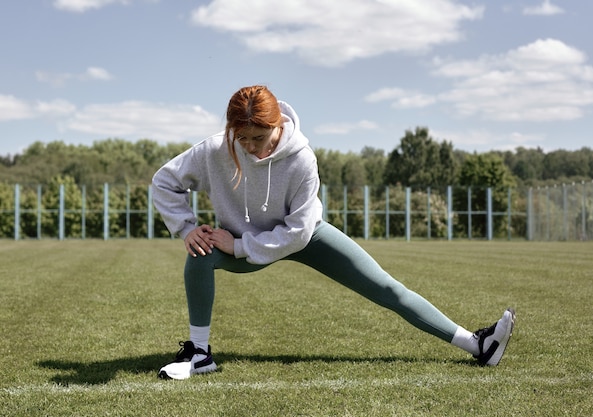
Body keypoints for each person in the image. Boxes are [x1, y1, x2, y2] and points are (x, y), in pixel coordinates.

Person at [152, 85, 516, 380]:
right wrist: (186, 228)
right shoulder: (216, 149)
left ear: (276, 125)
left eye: (258, 137)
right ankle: (200, 354)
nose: (249, 147)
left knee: (386, 287)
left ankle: (478, 346)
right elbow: (164, 182)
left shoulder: (301, 159)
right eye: (242, 137)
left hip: (303, 236)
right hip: (237, 241)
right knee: (198, 252)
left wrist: (241, 245)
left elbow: (296, 232)